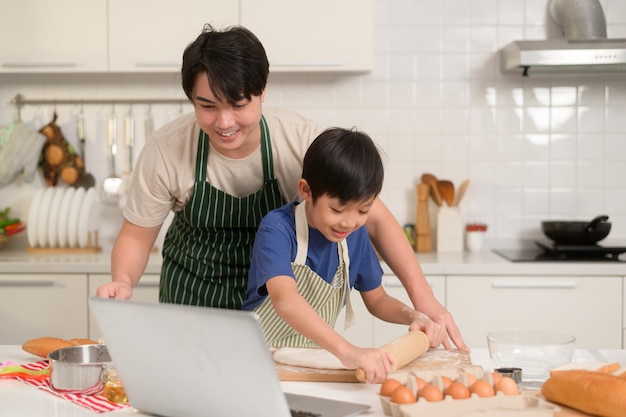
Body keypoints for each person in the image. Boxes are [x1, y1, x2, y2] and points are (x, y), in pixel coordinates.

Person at [95, 24, 468, 351]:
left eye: (238, 104)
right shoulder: (167, 149)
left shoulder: (300, 140)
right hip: (193, 299)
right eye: (206, 106)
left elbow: (375, 218)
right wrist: (123, 281)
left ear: (262, 91)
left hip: (275, 309)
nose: (224, 122)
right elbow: (137, 236)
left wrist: (425, 301)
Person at [243, 128, 445, 383]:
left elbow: (377, 299)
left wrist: (415, 316)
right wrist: (346, 351)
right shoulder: (278, 229)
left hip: (312, 369)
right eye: (337, 209)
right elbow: (285, 299)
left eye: (363, 210)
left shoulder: (354, 236)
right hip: (260, 365)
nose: (349, 222)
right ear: (306, 190)